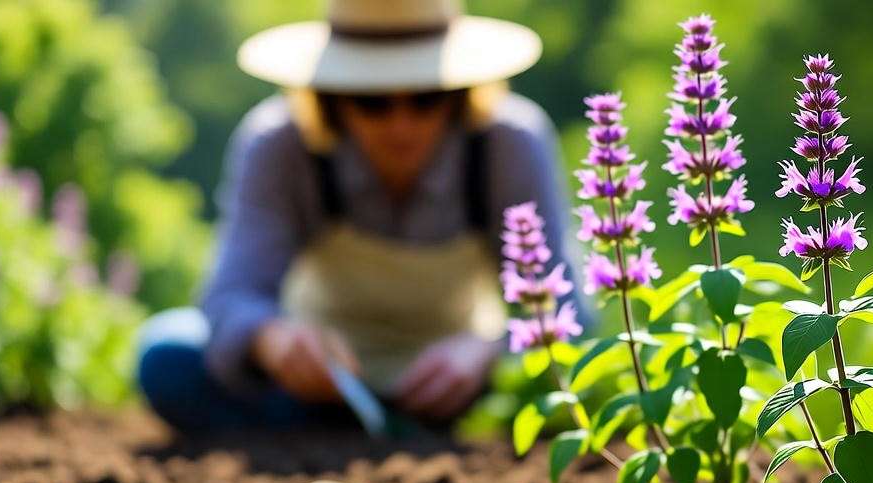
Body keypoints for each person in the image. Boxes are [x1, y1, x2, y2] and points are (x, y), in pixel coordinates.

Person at [136, 0, 583, 434]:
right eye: (372, 102)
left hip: (462, 385)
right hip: (319, 386)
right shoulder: (280, 146)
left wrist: (488, 351)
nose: (401, 125)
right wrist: (273, 341)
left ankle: (343, 437)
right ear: (332, 99)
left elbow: (568, 308)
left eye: (428, 98)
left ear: (461, 94)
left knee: (557, 387)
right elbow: (230, 295)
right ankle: (358, 433)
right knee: (167, 357)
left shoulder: (510, 145)